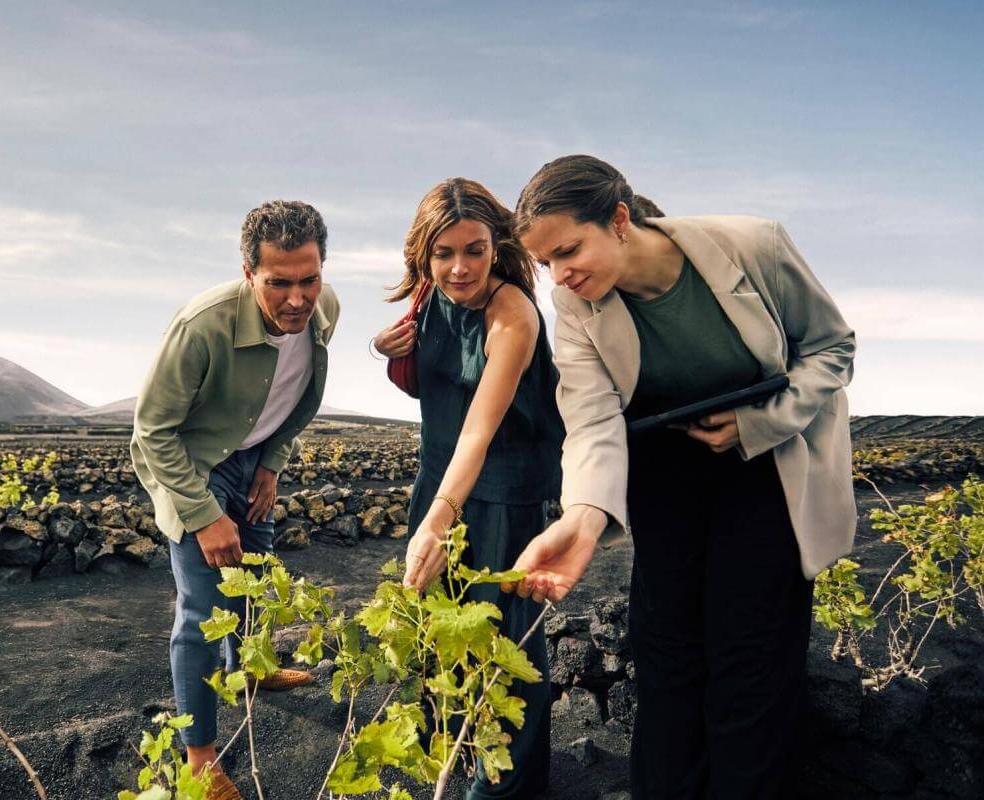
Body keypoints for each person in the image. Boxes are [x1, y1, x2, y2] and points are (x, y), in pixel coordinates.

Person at [504, 154, 857, 798]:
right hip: (662, 476)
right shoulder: (574, 306)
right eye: (546, 262)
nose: (560, 273)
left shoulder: (754, 245)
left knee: (750, 660)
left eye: (569, 249)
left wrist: (758, 423)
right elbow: (590, 419)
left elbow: (831, 348)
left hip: (764, 468)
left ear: (617, 219)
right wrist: (583, 518)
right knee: (665, 658)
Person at [130, 200, 340, 800]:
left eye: (309, 279)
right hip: (193, 461)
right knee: (202, 609)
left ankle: (252, 666)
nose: (297, 299)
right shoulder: (203, 326)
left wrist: (271, 464)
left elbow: (297, 395)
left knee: (258, 570)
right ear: (250, 274)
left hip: (252, 456)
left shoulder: (325, 307)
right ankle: (200, 758)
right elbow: (152, 431)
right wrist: (202, 515)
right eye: (279, 284)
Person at [373, 177, 565, 799]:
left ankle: (500, 790)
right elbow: (437, 386)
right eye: (444, 253)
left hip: (508, 493)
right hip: (439, 482)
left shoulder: (513, 314)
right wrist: (384, 349)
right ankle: (450, 767)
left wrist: (436, 523)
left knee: (507, 654)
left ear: (497, 246)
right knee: (438, 636)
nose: (460, 268)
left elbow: (480, 432)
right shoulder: (427, 299)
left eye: (475, 250)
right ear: (423, 256)